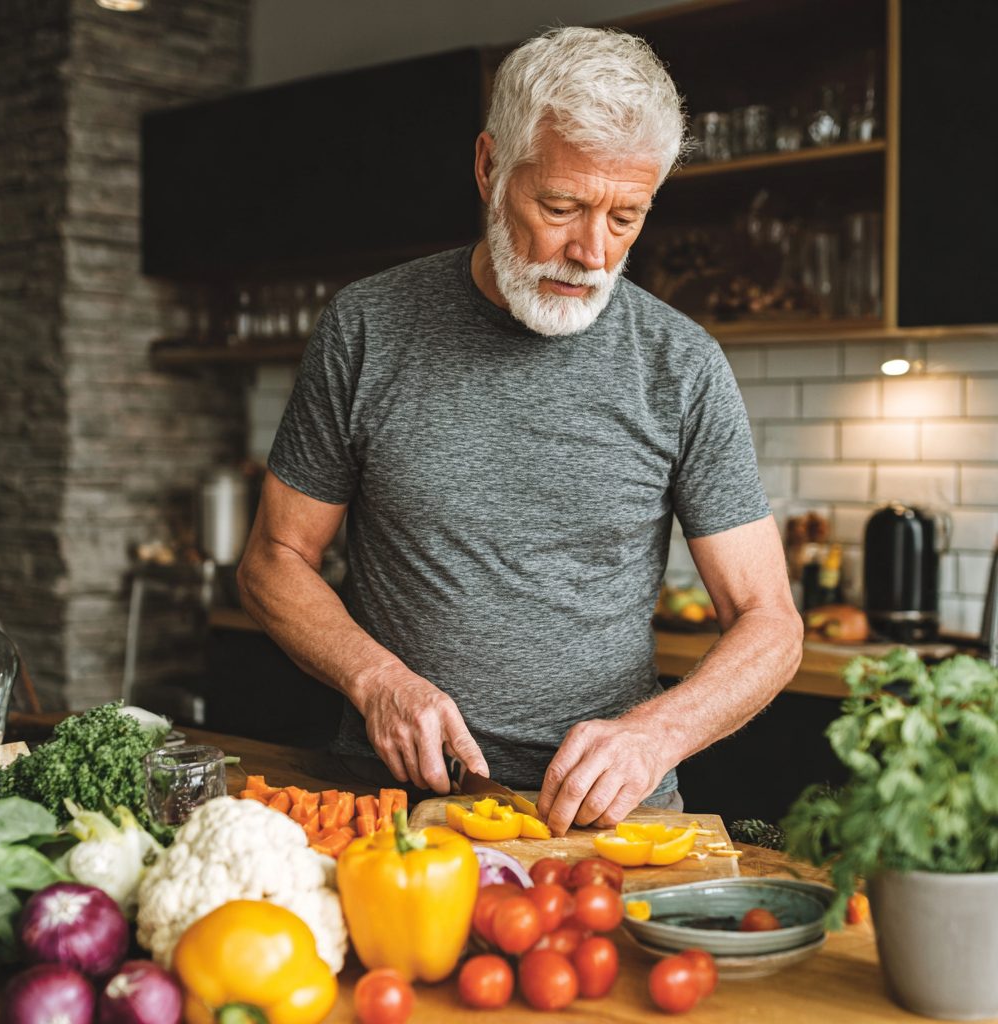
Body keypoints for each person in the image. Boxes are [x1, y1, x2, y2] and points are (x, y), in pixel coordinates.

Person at [237, 26, 803, 836]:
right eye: (562, 207)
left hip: (608, 823)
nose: (592, 252)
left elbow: (771, 623)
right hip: (392, 810)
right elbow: (272, 560)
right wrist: (375, 680)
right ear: (489, 168)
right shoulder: (366, 328)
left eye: (626, 217)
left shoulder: (683, 365)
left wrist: (656, 736)